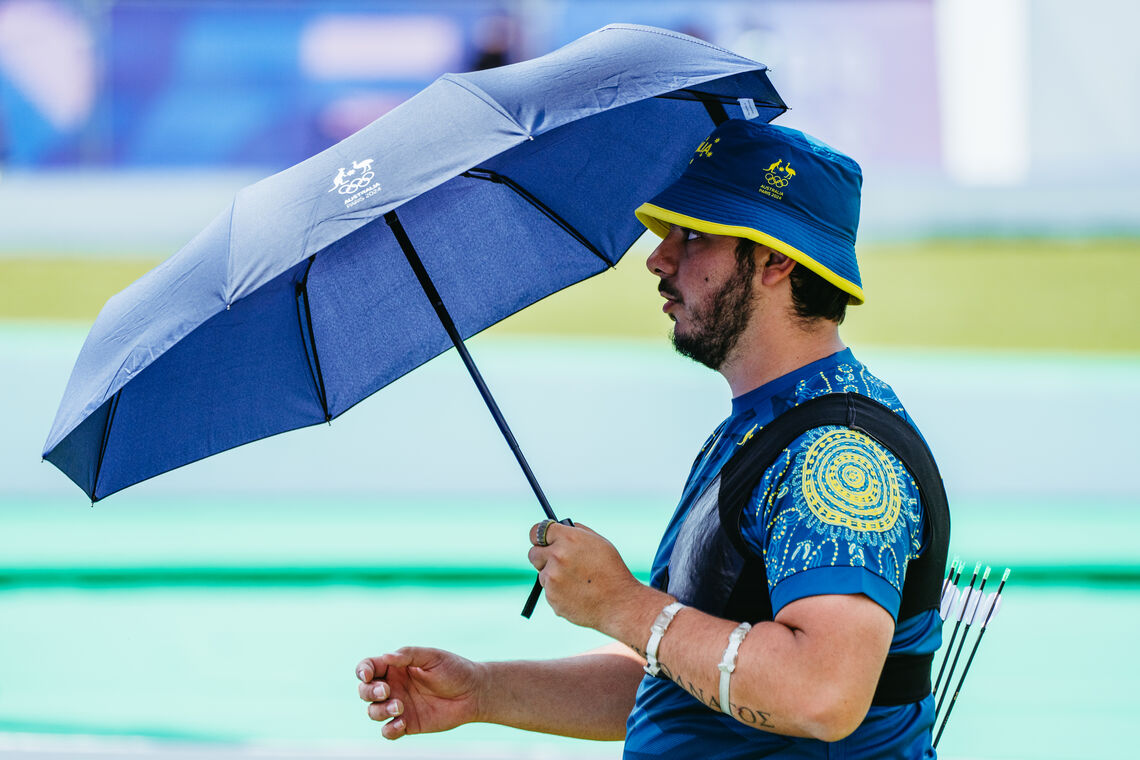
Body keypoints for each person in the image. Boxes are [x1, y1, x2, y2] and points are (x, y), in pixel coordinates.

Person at [356, 119, 948, 759]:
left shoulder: (837, 456)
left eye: (694, 235)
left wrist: (622, 604)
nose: (659, 258)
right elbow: (690, 671)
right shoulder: (763, 429)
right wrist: (483, 692)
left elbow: (820, 693)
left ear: (777, 258)